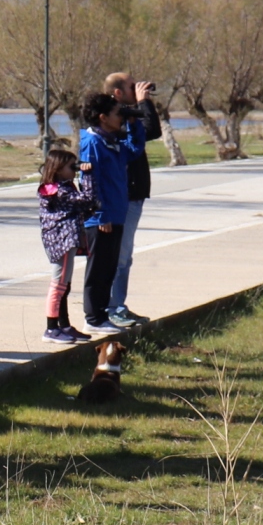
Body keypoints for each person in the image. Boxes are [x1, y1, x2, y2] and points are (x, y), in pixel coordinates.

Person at [78, 92, 147, 335]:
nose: (121, 118)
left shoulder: (113, 141)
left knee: (109, 269)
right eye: (119, 114)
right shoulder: (92, 142)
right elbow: (90, 182)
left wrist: (132, 124)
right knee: (97, 270)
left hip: (117, 215)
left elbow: (135, 149)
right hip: (102, 219)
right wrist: (100, 214)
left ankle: (102, 314)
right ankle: (92, 318)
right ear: (103, 117)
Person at [102, 72, 162, 327]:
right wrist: (143, 102)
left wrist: (141, 103)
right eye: (131, 86)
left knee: (125, 255)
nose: (136, 87)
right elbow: (150, 130)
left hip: (133, 194)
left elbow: (151, 130)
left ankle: (118, 305)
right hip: (122, 196)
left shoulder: (125, 114)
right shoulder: (114, 117)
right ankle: (111, 308)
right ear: (118, 92)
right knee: (119, 255)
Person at [38, 148, 91, 344]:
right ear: (59, 169)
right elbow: (87, 201)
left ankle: (64, 325)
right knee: (58, 285)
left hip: (64, 239)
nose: (75, 169)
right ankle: (51, 329)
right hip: (63, 240)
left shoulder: (57, 187)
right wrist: (88, 176)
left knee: (64, 285)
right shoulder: (58, 190)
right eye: (72, 166)